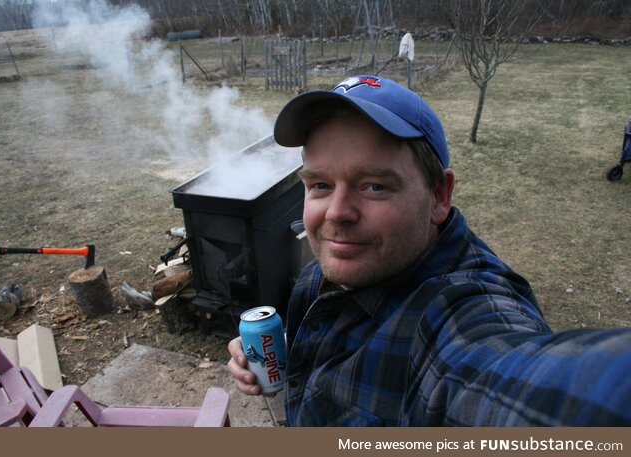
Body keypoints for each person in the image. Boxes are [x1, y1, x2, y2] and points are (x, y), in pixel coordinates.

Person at [227, 75, 631, 426]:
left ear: (439, 195)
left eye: (374, 186)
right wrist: (281, 356)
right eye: (320, 185)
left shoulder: (455, 316)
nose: (336, 213)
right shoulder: (340, 265)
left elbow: (513, 383)